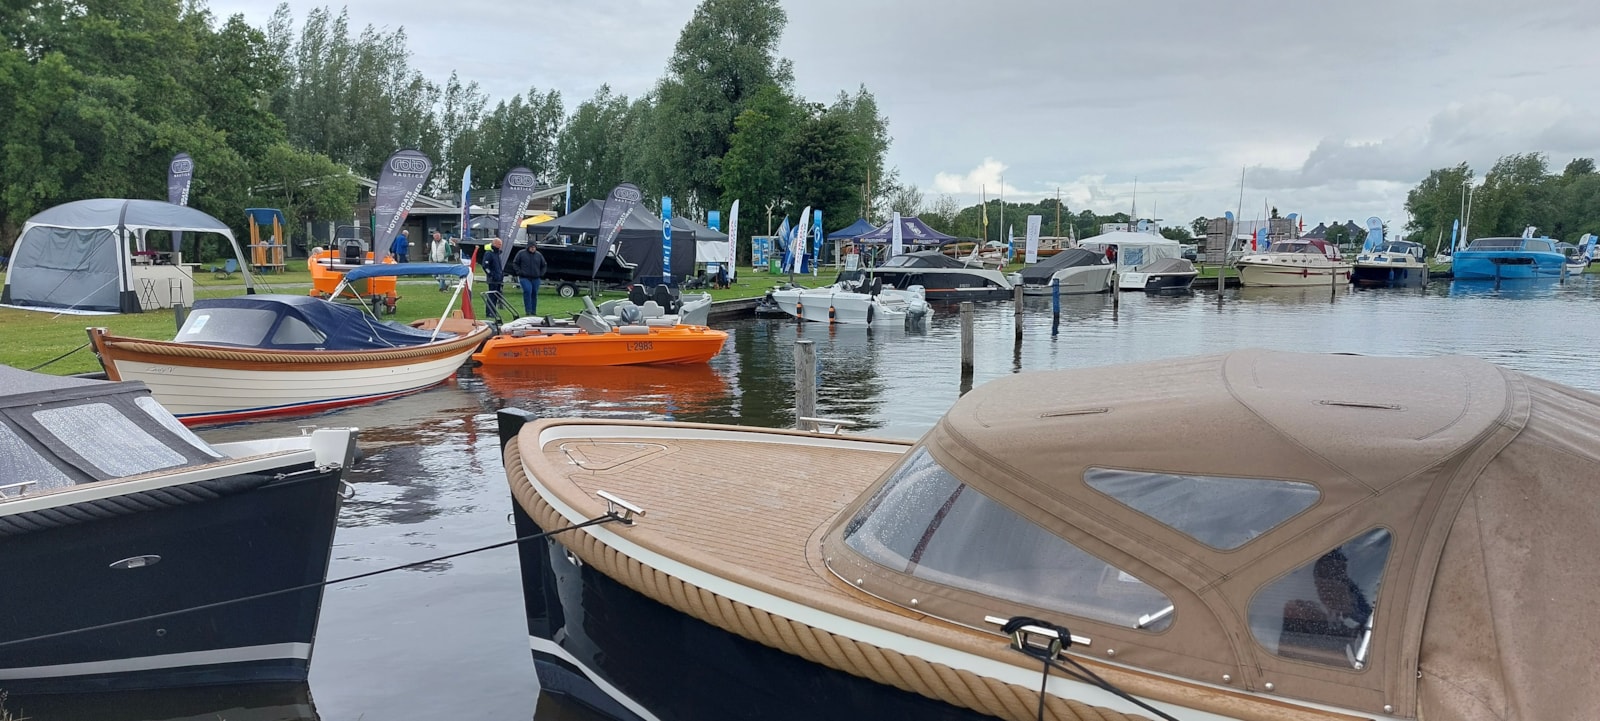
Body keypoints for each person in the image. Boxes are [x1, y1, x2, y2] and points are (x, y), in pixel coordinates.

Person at [511, 242, 547, 316]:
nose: (533, 248)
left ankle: (533, 311)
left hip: (536, 278)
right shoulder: (521, 253)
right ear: (528, 247)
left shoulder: (539, 255)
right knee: (527, 291)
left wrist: (541, 273)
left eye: (534, 247)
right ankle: (528, 311)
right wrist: (519, 272)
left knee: (534, 293)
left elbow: (544, 265)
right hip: (524, 277)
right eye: (531, 247)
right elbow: (515, 263)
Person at [481, 237, 506, 318]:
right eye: (499, 244)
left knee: (496, 296)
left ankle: (493, 311)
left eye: (501, 244)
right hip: (493, 279)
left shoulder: (497, 253)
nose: (500, 246)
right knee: (491, 296)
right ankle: (489, 312)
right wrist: (491, 275)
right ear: (494, 243)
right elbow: (485, 266)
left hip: (498, 279)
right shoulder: (489, 253)